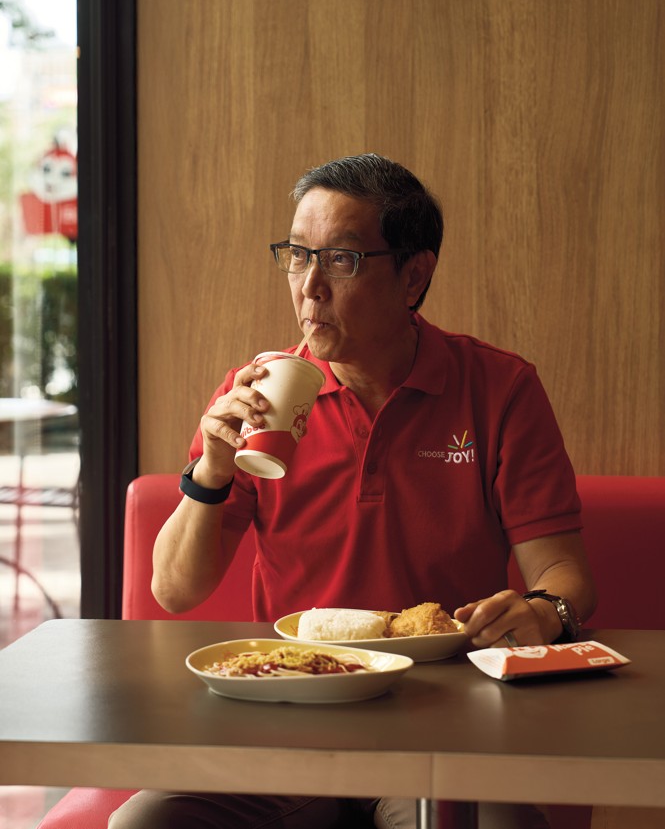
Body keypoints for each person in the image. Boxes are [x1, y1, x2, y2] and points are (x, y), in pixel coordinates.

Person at [110, 153, 597, 829]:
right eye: (295, 254)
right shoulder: (256, 395)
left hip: (442, 716)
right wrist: (212, 470)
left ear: (413, 275)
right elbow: (175, 589)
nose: (308, 286)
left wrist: (544, 612)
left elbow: (563, 572)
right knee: (146, 823)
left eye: (340, 259)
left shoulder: (498, 388)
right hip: (290, 706)